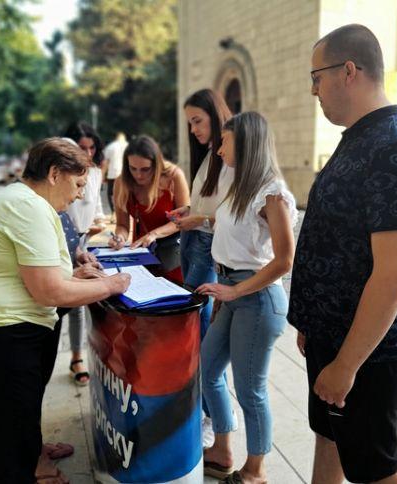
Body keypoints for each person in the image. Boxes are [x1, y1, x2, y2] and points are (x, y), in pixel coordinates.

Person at [288, 24, 397, 484]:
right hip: (334, 338)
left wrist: (346, 364)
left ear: (348, 71)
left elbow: (395, 275)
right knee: (329, 440)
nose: (314, 89)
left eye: (317, 77)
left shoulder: (393, 148)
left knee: (374, 470)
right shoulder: (361, 136)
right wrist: (314, 323)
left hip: (368, 353)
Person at [0, 137, 131, 484]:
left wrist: (74, 277)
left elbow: (36, 275)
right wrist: (111, 285)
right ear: (53, 173)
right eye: (78, 184)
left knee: (5, 437)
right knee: (10, 459)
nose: (80, 194)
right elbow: (49, 290)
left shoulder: (23, 202)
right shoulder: (28, 207)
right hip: (0, 337)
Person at [196, 111, 297, 484]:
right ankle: (222, 451)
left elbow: (285, 259)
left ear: (247, 142)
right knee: (207, 369)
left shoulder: (272, 191)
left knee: (250, 389)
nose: (219, 149)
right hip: (232, 292)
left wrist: (235, 289)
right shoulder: (236, 183)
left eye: (225, 141)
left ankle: (256, 470)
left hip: (257, 298)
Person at [167, 88, 233, 446]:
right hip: (194, 241)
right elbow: (209, 206)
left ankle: (212, 416)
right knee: (195, 329)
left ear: (215, 116)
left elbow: (233, 215)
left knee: (200, 332)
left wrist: (199, 220)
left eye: (197, 121)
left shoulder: (231, 157)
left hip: (208, 247)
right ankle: (203, 407)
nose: (192, 129)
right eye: (189, 122)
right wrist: (189, 213)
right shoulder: (209, 155)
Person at [62, 123, 107, 385]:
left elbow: (97, 206)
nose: (88, 153)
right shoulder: (63, 174)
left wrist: (100, 224)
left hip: (83, 240)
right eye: (82, 148)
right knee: (64, 300)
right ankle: (76, 357)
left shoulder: (96, 173)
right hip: (60, 239)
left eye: (92, 148)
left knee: (81, 303)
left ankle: (79, 356)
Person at [110, 135, 190, 283]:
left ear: (157, 165)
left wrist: (154, 234)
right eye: (133, 168)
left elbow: (184, 219)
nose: (138, 175)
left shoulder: (173, 176)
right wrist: (119, 238)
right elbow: (122, 225)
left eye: (145, 169)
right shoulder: (122, 182)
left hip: (173, 253)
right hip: (141, 253)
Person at [103, 132, 128, 216]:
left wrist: (102, 175)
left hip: (113, 174)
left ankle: (114, 213)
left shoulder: (111, 147)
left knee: (111, 194)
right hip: (125, 174)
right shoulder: (128, 146)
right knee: (125, 194)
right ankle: (124, 214)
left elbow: (106, 162)